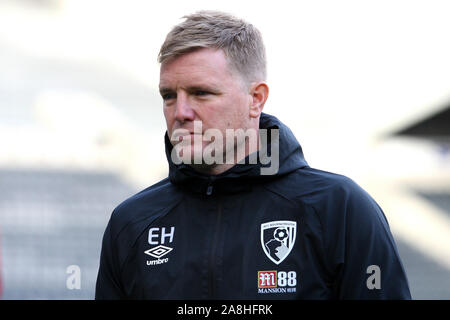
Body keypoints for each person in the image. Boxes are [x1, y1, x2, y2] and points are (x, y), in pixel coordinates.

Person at [95, 10, 411, 299]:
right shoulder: (132, 223)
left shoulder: (339, 209)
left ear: (256, 99)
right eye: (168, 96)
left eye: (201, 93)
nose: (180, 112)